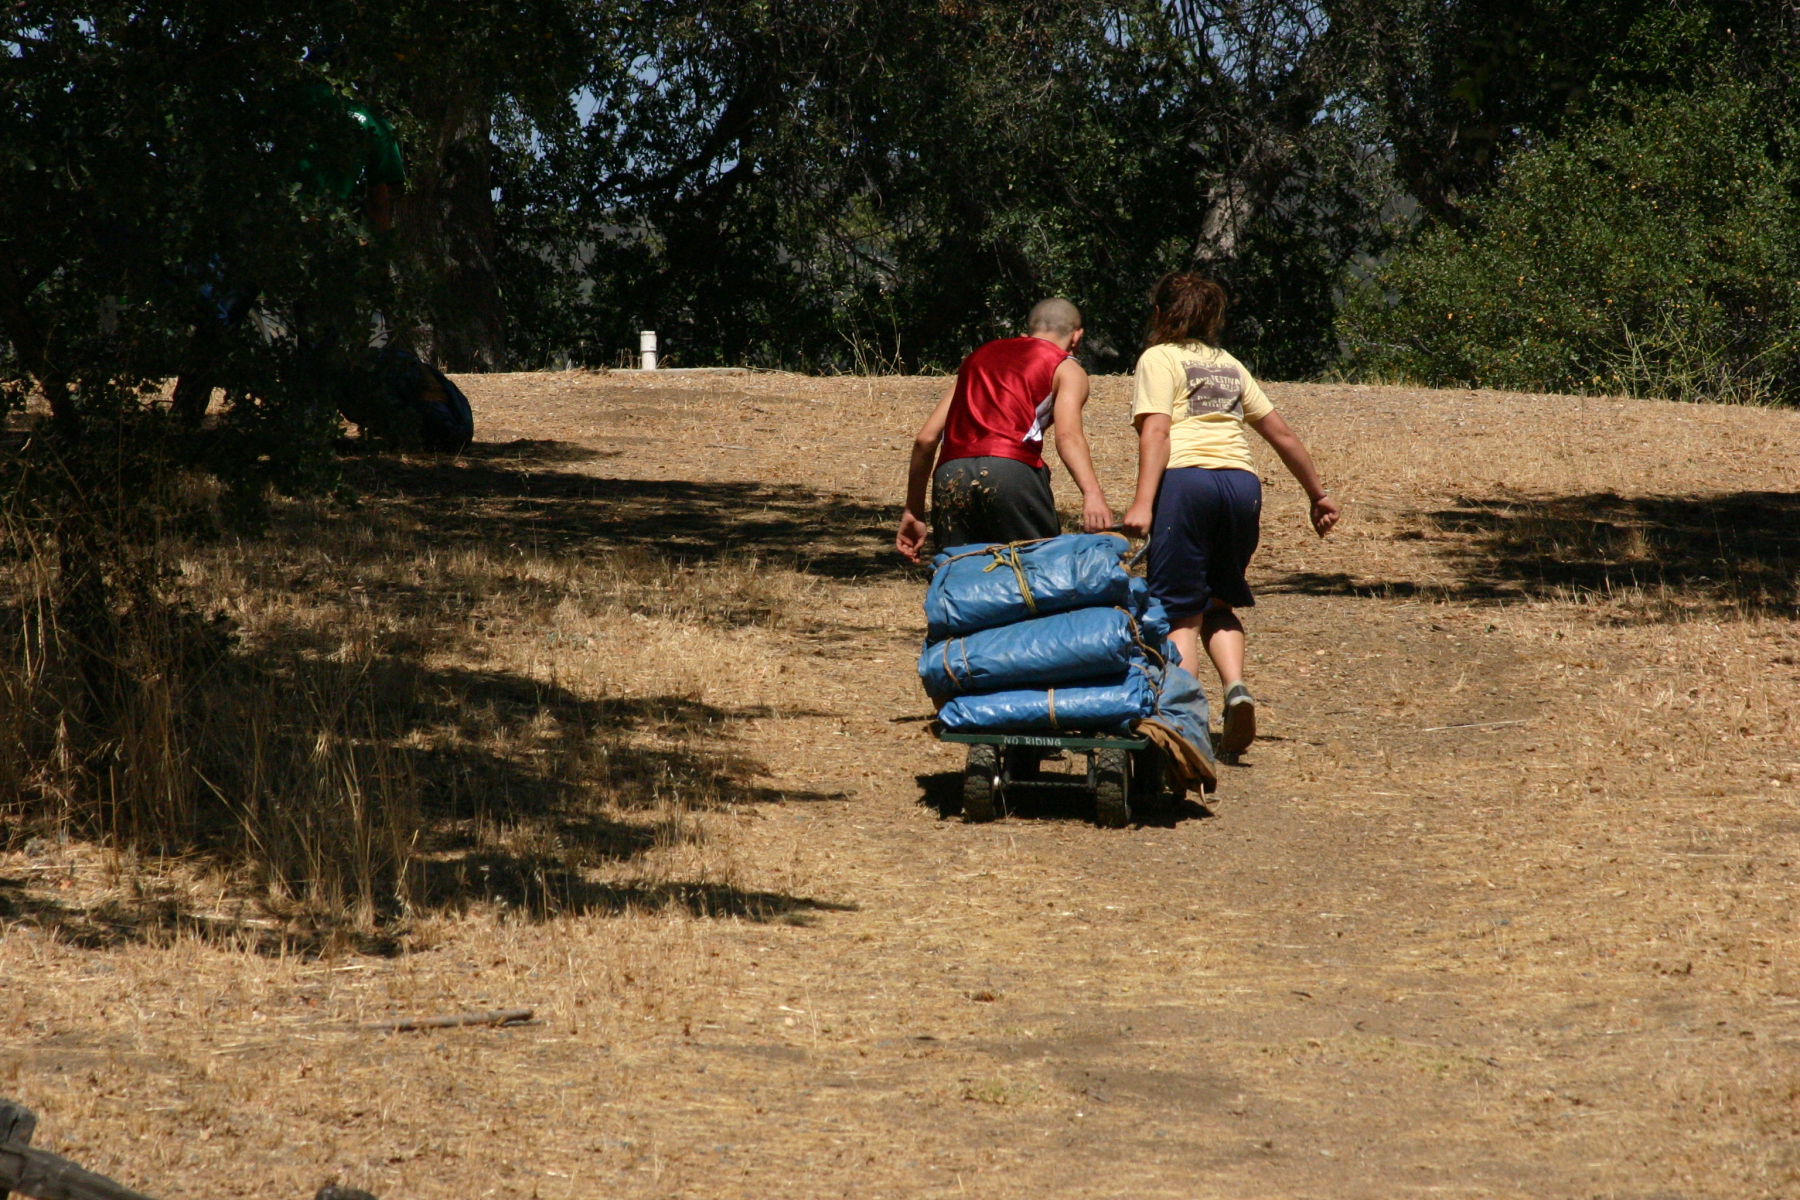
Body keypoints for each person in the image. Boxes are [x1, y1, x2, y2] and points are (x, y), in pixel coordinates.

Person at [1120, 272, 1339, 757]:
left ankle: (1183, 726)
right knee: (1219, 603)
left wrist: (1142, 503)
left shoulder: (1158, 358)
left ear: (1159, 313)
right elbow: (1280, 434)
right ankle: (1235, 687)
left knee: (1180, 613)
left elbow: (1157, 431)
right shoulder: (1229, 365)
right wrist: (1317, 494)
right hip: (1241, 487)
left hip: (1187, 484)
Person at [896, 298, 1113, 562]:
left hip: (952, 473)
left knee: (959, 572)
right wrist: (1092, 493)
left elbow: (926, 439)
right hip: (1011, 471)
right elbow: (1067, 437)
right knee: (1035, 569)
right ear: (1077, 337)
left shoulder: (978, 358)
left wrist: (914, 511)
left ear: (1027, 332)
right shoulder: (1066, 367)